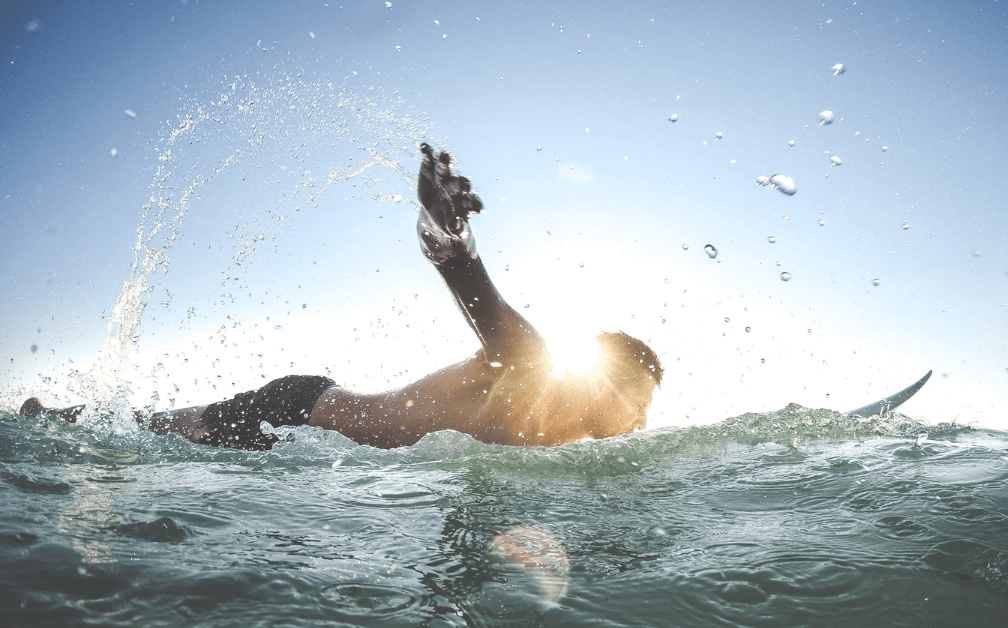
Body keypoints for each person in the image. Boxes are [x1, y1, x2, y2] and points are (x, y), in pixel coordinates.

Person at [20, 144, 663, 450]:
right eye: (637, 402)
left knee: (153, 428)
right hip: (300, 413)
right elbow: (479, 298)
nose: (640, 423)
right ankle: (46, 418)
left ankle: (52, 414)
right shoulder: (531, 370)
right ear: (606, 380)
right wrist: (448, 233)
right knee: (148, 434)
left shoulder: (562, 439)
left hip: (310, 423)